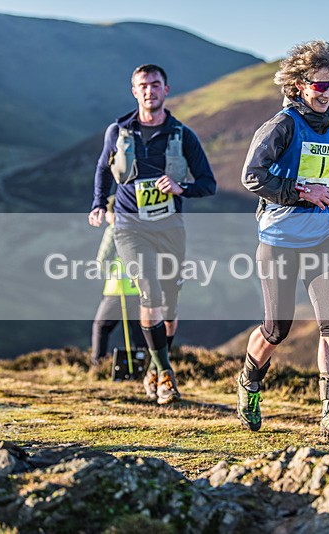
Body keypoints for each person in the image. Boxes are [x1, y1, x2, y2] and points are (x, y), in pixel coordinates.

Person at [236, 41, 329, 442]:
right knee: (276, 330)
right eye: (321, 86)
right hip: (279, 241)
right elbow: (252, 177)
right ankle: (249, 382)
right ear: (300, 85)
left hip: (323, 240)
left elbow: (326, 171)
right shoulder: (281, 125)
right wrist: (303, 193)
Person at [89, 64, 216, 404]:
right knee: (150, 291)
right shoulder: (117, 131)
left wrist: (180, 187)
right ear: (134, 91)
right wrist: (99, 204)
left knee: (169, 305)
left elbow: (208, 184)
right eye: (143, 86)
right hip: (130, 226)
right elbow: (103, 169)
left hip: (170, 227)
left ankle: (156, 368)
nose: (149, 91)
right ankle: (167, 376)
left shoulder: (183, 135)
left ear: (166, 89)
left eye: (155, 85)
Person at [90, 195, 149, 374]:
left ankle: (98, 367)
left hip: (118, 290)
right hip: (140, 290)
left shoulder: (114, 229)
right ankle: (144, 369)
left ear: (113, 212)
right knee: (140, 331)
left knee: (101, 326)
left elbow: (102, 261)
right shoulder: (142, 228)